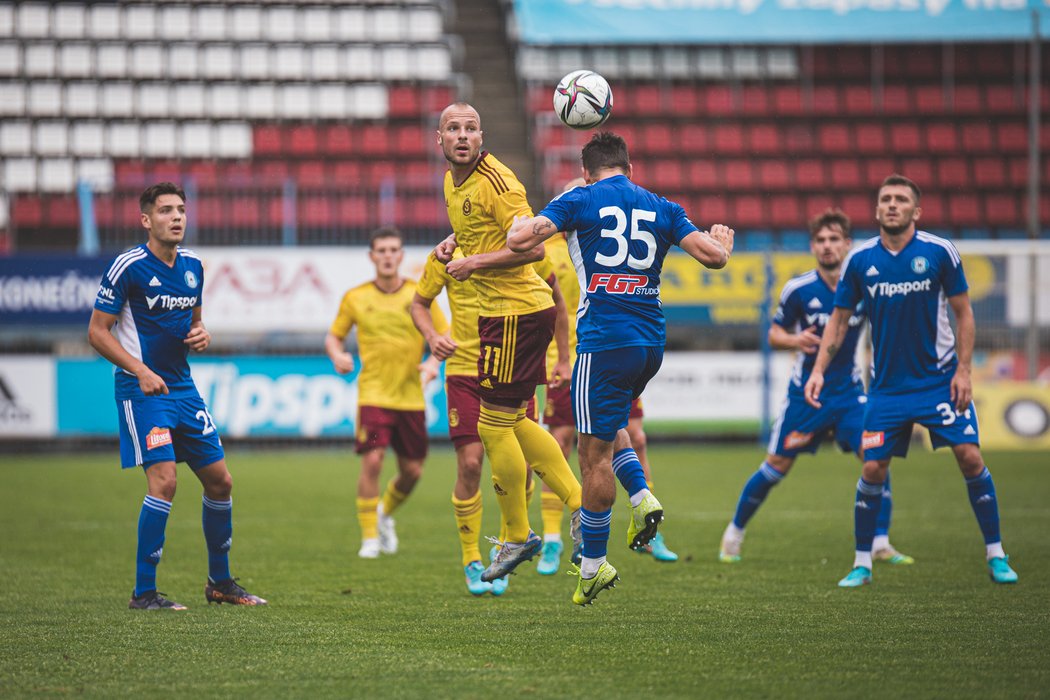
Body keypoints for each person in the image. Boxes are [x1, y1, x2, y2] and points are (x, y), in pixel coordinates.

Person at [508, 131, 733, 605]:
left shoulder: (578, 199)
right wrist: (721, 240)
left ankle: (592, 567)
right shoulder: (662, 205)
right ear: (630, 169)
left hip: (602, 342)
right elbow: (714, 258)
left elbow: (521, 238)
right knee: (613, 430)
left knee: (592, 458)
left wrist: (534, 216)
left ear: (587, 172)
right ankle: (642, 496)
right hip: (650, 343)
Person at [804, 174, 1018, 587]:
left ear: (916, 211)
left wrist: (964, 370)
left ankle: (996, 554)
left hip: (938, 382)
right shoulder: (860, 260)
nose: (892, 204)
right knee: (872, 469)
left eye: (901, 199)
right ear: (877, 208)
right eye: (885, 199)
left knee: (970, 458)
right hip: (886, 390)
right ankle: (863, 562)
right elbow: (840, 320)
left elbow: (964, 315)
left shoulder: (940, 252)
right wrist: (817, 370)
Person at [87, 182, 266, 610]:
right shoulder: (128, 266)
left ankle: (220, 583)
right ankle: (144, 592)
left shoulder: (193, 266)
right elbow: (96, 332)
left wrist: (202, 335)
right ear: (146, 220)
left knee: (221, 481)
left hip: (182, 388)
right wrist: (140, 370)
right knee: (165, 481)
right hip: (141, 389)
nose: (177, 217)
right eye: (166, 210)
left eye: (181, 209)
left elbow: (195, 324)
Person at [433, 102, 583, 584]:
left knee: (493, 426)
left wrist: (474, 264)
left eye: (471, 128)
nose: (462, 136)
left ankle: (517, 534)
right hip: (508, 314)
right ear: (440, 140)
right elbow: (480, 230)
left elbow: (533, 245)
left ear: (482, 137)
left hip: (515, 311)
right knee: (513, 420)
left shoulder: (500, 183)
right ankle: (581, 506)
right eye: (453, 129)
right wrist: (454, 244)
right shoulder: (453, 183)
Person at [719, 208, 911, 566]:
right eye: (821, 240)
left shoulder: (864, 287)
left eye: (834, 239)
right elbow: (774, 333)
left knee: (876, 460)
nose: (827, 246)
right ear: (812, 245)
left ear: (847, 244)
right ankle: (734, 531)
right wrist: (794, 341)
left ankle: (881, 542)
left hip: (851, 395)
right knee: (775, 466)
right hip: (805, 396)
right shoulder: (799, 289)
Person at [537, 179, 677, 574]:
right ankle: (553, 538)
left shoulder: (603, 236)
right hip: (572, 359)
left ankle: (647, 527)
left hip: (603, 354)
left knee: (631, 437)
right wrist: (559, 359)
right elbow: (554, 310)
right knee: (561, 442)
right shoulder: (546, 248)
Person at [412, 240, 549, 596]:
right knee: (471, 464)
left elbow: (547, 295)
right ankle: (471, 558)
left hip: (511, 362)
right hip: (464, 369)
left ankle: (507, 543)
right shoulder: (444, 253)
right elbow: (419, 304)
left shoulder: (514, 246)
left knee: (522, 467)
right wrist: (432, 337)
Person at [325, 227, 445, 559]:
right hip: (373, 394)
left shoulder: (418, 295)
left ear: (401, 256)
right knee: (373, 461)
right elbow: (334, 337)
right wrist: (338, 356)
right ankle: (369, 540)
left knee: (413, 471)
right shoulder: (356, 297)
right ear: (372, 256)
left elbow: (443, 336)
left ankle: (384, 514)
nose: (388, 256)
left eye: (394, 250)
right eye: (382, 250)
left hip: (411, 395)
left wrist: (434, 362)